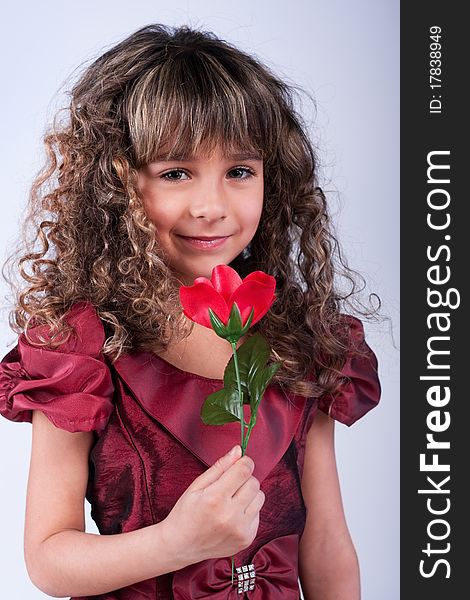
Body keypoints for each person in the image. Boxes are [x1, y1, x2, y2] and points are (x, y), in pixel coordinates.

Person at [0, 23, 381, 599]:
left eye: (239, 172)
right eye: (176, 173)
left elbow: (327, 546)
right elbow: (49, 559)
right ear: (118, 183)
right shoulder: (81, 346)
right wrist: (175, 543)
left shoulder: (305, 337)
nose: (212, 206)